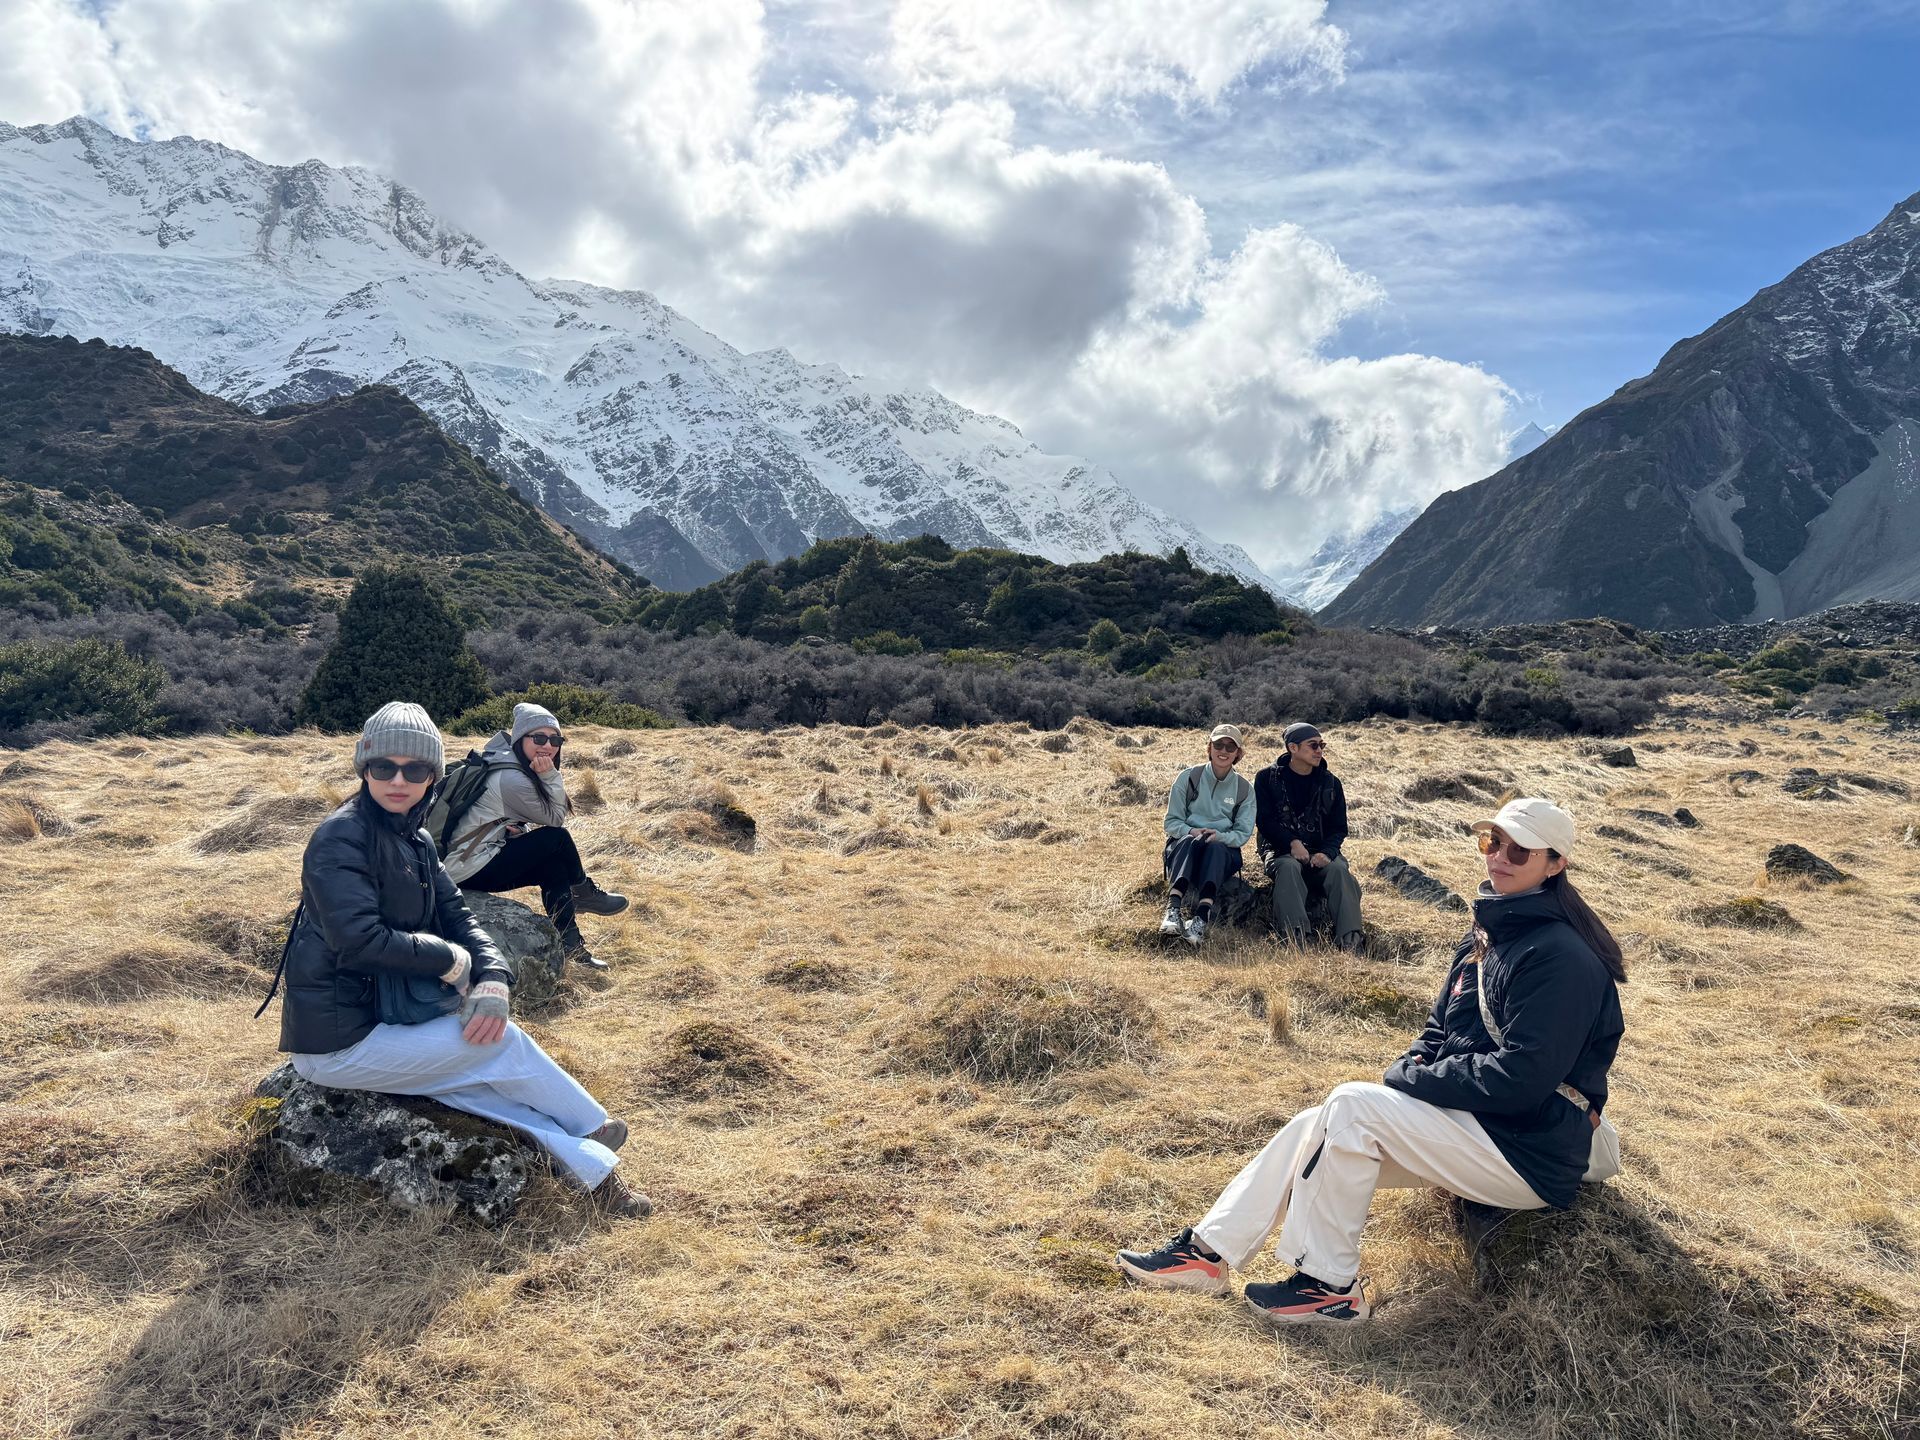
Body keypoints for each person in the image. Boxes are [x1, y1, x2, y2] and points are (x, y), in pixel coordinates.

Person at [1118, 797, 1624, 1324]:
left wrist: (1412, 1079)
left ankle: (1329, 1285)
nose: (1499, 857)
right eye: (1492, 842)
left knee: (1352, 1105)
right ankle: (1207, 1253)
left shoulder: (1561, 958)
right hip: (1479, 1130)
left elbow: (1522, 1080)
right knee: (1315, 1123)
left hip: (1528, 1151)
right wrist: (1415, 1069)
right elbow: (1437, 1031)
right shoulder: (1485, 935)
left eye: (1520, 851)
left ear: (1555, 863)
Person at [268, 701, 651, 1218]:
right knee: (499, 1044)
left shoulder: (416, 838)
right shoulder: (342, 837)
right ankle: (591, 1125)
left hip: (386, 1019)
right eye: (385, 766)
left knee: (484, 1093)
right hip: (339, 1042)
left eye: (417, 769)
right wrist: (450, 962)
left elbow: (459, 917)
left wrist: (492, 978)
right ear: (364, 766)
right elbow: (358, 939)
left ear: (434, 775)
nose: (399, 780)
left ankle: (597, 1173)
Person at [442, 701, 628, 971]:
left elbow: (510, 818)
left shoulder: (508, 762)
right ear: (520, 739)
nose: (548, 745)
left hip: (475, 859)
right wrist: (550, 775)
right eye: (539, 737)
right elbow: (554, 818)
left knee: (552, 867)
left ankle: (571, 946)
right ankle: (583, 892)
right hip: (466, 868)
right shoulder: (511, 778)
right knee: (557, 839)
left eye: (555, 739)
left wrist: (517, 830)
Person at [1254, 721, 1363, 951]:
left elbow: (1339, 828)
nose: (1319, 750)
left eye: (1321, 745)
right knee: (1288, 868)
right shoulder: (1266, 779)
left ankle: (1351, 941)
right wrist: (1291, 843)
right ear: (1292, 748)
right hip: (1281, 849)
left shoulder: (1331, 783)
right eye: (1313, 745)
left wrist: (1327, 852)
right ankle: (1296, 939)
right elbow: (1264, 821)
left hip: (1320, 851)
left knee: (1338, 870)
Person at [1160, 723, 1255, 946]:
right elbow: (1171, 822)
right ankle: (1173, 910)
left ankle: (1201, 919)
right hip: (1184, 845)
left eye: (1230, 747)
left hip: (1222, 852)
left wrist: (1219, 836)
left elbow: (1242, 833)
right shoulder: (1188, 777)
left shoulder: (1244, 789)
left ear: (1238, 754)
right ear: (1209, 748)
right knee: (1191, 841)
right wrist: (1192, 831)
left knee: (1215, 847)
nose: (1223, 751)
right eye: (1218, 744)